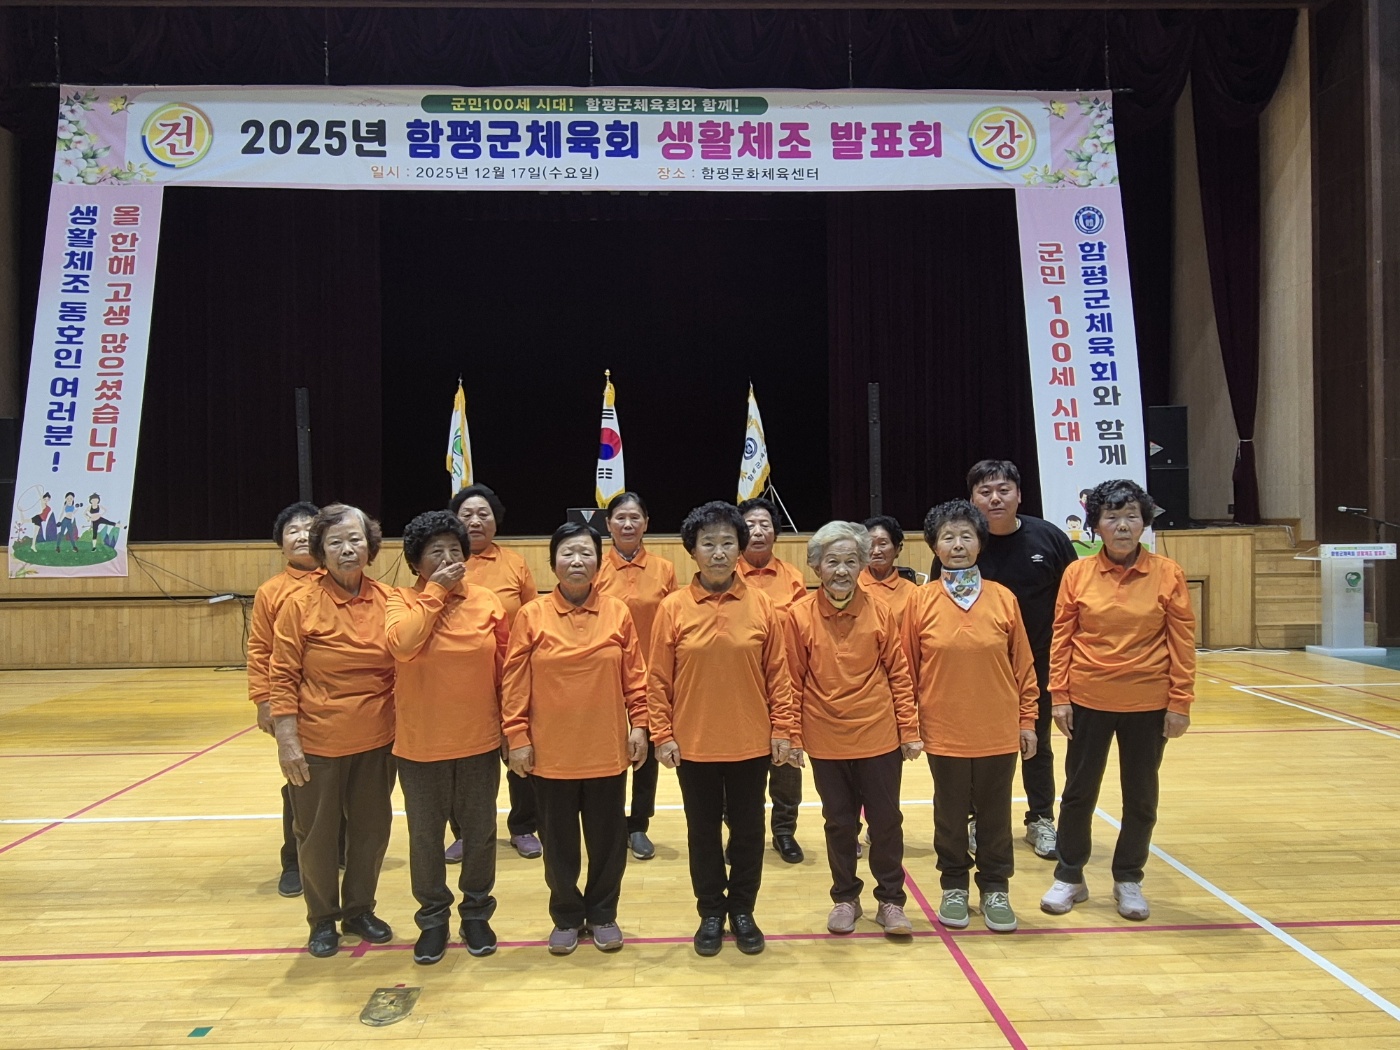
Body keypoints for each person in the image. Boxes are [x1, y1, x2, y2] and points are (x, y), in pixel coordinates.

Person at [1040, 479, 1195, 922]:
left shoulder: (1168, 573)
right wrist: (1060, 696)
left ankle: (1128, 877)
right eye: (1112, 517)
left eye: (1131, 516)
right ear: (1097, 525)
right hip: (1088, 699)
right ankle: (1070, 875)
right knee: (1078, 793)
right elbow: (1061, 637)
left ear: (1144, 523)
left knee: (1141, 797)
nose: (1122, 526)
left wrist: (1180, 702)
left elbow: (1182, 641)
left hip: (1148, 702)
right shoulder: (1077, 574)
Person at [649, 501, 796, 957]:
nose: (718, 552)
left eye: (727, 543)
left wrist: (783, 729)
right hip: (693, 745)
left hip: (751, 743)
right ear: (692, 550)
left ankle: (743, 910)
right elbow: (657, 679)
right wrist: (662, 735)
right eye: (708, 543)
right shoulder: (672, 608)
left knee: (749, 833)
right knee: (703, 833)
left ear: (739, 548)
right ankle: (711, 911)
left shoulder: (763, 605)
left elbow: (780, 674)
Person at [502, 522, 649, 955]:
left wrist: (640, 724)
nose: (577, 560)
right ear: (553, 564)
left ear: (598, 563)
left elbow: (635, 676)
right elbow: (514, 681)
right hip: (550, 754)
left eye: (586, 553)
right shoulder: (532, 614)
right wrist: (517, 735)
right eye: (568, 553)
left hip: (606, 751)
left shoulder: (617, 612)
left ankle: (603, 914)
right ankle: (566, 915)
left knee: (607, 843)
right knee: (559, 845)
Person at [268, 503, 397, 958]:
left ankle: (360, 909)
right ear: (321, 551)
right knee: (317, 834)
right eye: (335, 542)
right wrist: (287, 739)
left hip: (379, 740)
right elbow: (282, 673)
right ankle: (322, 918)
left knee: (371, 830)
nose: (347, 549)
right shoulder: (299, 604)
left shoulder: (390, 600)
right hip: (318, 741)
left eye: (355, 540)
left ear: (370, 546)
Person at [903, 500, 1038, 933]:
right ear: (934, 546)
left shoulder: (1003, 599)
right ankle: (954, 885)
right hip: (944, 731)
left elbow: (1024, 666)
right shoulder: (919, 602)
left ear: (980, 542)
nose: (957, 545)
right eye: (948, 537)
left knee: (996, 815)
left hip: (998, 730)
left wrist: (1027, 720)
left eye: (966, 536)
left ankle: (996, 887)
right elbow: (905, 671)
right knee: (950, 814)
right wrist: (909, 727)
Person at [785, 521, 921, 938]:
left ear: (862, 564)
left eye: (850, 561)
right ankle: (845, 897)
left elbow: (899, 674)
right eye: (832, 562)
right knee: (839, 823)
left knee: (886, 821)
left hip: (878, 735)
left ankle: (891, 901)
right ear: (816, 567)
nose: (841, 570)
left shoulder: (881, 611)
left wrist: (909, 730)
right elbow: (791, 681)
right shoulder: (798, 616)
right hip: (825, 738)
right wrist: (792, 736)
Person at [386, 510, 510, 965]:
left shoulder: (487, 601)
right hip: (421, 746)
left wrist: (510, 728)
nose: (447, 559)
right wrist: (435, 592)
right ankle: (433, 919)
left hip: (479, 740)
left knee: (480, 834)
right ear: (415, 562)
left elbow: (505, 670)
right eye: (435, 552)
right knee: (425, 838)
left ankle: (476, 912)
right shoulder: (400, 601)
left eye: (455, 550)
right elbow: (403, 645)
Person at [966, 460, 1078, 861]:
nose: (995, 498)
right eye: (985, 492)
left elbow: (1075, 601)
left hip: (1041, 663)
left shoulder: (1049, 538)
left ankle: (1040, 819)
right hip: (980, 669)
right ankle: (978, 821)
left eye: (1003, 490)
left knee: (1037, 743)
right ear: (972, 499)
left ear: (1019, 494)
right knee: (978, 748)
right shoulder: (965, 543)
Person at [448, 483, 542, 863]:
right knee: (465, 762)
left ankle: (523, 825)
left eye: (482, 513)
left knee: (520, 752)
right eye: (466, 514)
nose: (475, 521)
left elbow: (535, 616)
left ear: (495, 520)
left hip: (515, 676)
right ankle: (465, 832)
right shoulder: (445, 564)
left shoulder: (515, 563)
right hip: (462, 683)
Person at [595, 491, 678, 861]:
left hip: (653, 673)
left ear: (646, 523)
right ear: (608, 524)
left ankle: (638, 824)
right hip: (607, 675)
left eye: (635, 518)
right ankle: (610, 822)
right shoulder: (595, 566)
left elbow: (674, 620)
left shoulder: (664, 569)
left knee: (647, 750)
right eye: (620, 518)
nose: (627, 524)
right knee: (612, 749)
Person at [247, 500, 321, 898]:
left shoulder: (342, 580)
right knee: (300, 781)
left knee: (340, 783)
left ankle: (335, 851)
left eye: (309, 528)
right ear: (281, 544)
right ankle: (294, 860)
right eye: (293, 530)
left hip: (343, 706)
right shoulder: (271, 592)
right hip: (294, 704)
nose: (302, 535)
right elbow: (260, 649)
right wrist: (264, 701)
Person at [736, 496, 807, 864]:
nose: (758, 531)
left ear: (776, 533)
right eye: (750, 524)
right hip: (740, 684)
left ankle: (784, 831)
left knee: (786, 765)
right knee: (739, 767)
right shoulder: (728, 574)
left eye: (765, 524)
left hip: (785, 682)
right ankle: (739, 834)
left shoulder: (792, 577)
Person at [858, 515, 920, 627]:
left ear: (897, 548)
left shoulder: (912, 592)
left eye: (883, 544)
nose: (876, 551)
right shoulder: (853, 584)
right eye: (870, 545)